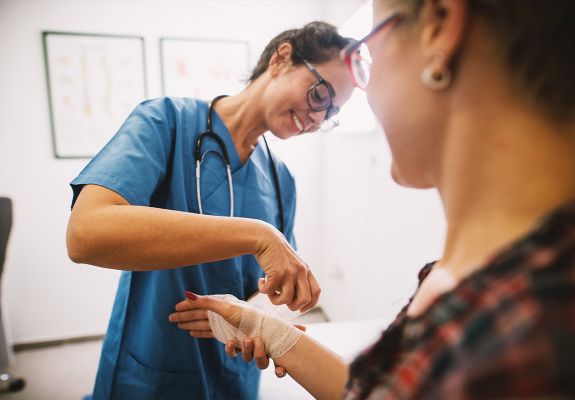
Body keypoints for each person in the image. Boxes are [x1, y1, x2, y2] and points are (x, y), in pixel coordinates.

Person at [172, 0, 575, 398]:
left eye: (370, 58)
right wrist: (268, 330)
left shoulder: (522, 331)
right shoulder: (485, 286)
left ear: (439, 26)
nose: (318, 119)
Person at [66, 21, 354, 399]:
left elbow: (271, 292)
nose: (317, 119)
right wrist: (258, 235)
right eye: (321, 96)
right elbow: (86, 234)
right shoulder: (165, 122)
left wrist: (262, 319)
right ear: (282, 58)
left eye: (330, 114)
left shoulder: (282, 180)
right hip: (153, 368)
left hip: (235, 374)